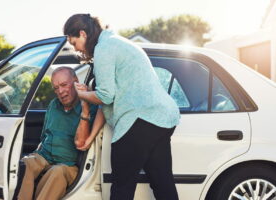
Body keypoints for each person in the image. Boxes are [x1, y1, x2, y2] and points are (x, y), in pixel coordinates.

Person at [63, 14, 181, 200]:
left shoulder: (104, 49)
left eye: (74, 42)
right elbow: (107, 102)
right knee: (162, 183)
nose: (76, 49)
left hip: (138, 120)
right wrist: (91, 137)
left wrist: (81, 94)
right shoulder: (115, 43)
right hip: (162, 118)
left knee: (122, 188)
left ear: (83, 34)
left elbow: (105, 96)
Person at [17, 66, 103, 200]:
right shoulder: (54, 105)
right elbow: (44, 136)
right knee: (25, 163)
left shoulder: (90, 107)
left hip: (68, 165)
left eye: (64, 85)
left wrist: (84, 107)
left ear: (76, 81)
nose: (60, 92)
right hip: (45, 157)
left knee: (56, 173)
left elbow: (81, 142)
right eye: (56, 88)